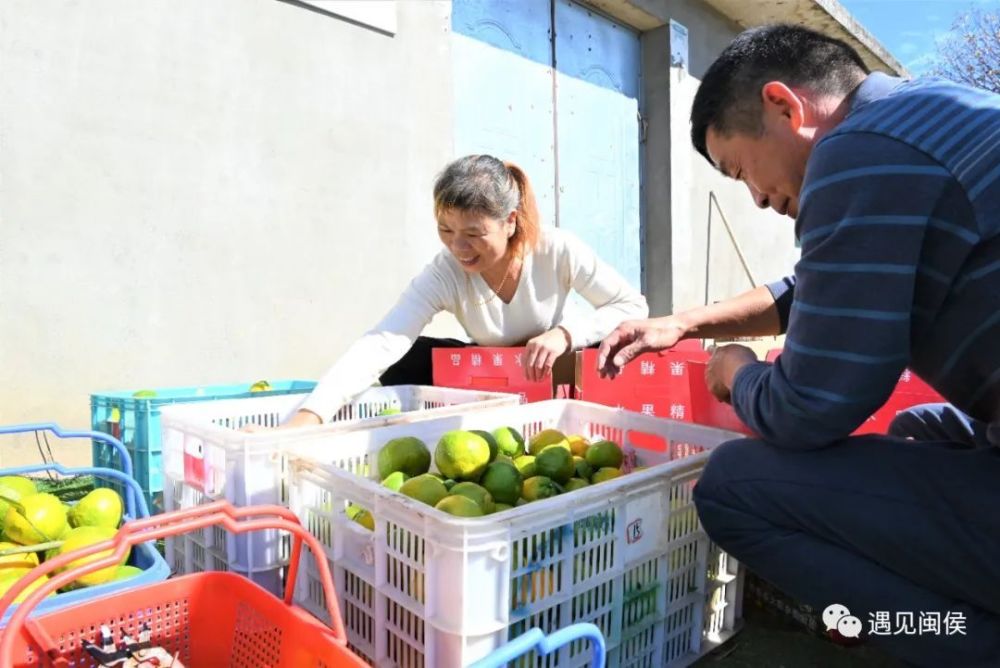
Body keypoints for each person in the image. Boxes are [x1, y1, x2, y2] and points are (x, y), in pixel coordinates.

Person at [599, 24, 1000, 667]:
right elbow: (805, 286)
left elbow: (809, 407)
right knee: (920, 427)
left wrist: (736, 373)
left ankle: (966, 642)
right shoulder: (924, 119)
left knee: (730, 487)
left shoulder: (858, 152)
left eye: (740, 170)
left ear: (784, 107)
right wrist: (683, 325)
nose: (755, 197)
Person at [284, 154, 648, 427]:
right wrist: (310, 415)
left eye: (473, 234)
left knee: (615, 344)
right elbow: (384, 339)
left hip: (550, 371)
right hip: (492, 377)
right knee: (404, 357)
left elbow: (632, 305)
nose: (459, 247)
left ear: (510, 222)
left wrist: (566, 334)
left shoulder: (556, 249)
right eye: (446, 230)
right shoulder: (445, 272)